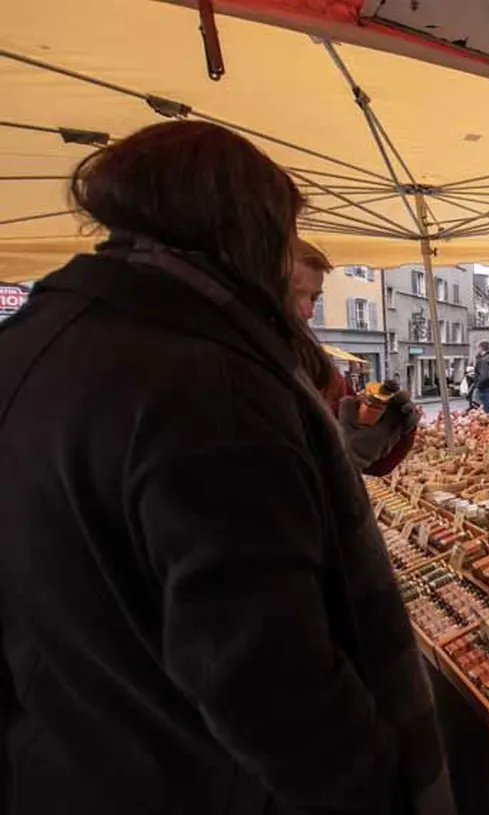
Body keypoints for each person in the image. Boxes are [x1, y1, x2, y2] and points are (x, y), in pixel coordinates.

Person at [0, 121, 453, 814]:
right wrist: (378, 786)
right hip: (194, 782)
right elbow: (270, 683)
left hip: (60, 764)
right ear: (251, 233)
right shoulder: (210, 386)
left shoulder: (29, 339)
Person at [290, 238, 420, 474]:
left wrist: (393, 428)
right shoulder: (231, 367)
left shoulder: (316, 364)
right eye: (292, 295)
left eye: (313, 298)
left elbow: (376, 464)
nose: (308, 312)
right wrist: (338, 459)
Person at [473, 340, 489, 413]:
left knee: (487, 408)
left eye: (478, 348)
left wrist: (478, 384)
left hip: (485, 387)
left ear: (481, 348)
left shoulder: (484, 360)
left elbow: (485, 375)